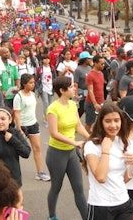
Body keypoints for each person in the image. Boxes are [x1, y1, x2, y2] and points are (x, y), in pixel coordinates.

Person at [46, 76, 90, 220]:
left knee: (79, 189)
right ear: (62, 90)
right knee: (56, 187)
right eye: (71, 87)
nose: (74, 89)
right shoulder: (53, 108)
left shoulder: (72, 105)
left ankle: (87, 218)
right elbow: (54, 133)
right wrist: (75, 143)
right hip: (56, 154)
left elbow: (79, 126)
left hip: (71, 153)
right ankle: (52, 216)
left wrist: (90, 139)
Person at [83, 102, 133, 220]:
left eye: (117, 120)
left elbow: (125, 179)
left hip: (123, 203)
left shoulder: (124, 142)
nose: (113, 125)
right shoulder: (91, 145)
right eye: (108, 121)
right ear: (101, 122)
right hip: (101, 205)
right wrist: (105, 150)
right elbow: (101, 177)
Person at [0, 106, 31, 187]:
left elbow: (26, 153)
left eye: (3, 119)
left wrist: (12, 140)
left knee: (18, 200)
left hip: (14, 180)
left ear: (10, 120)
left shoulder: (16, 134)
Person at [13, 73, 50, 181]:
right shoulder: (18, 96)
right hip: (22, 127)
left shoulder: (33, 94)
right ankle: (12, 172)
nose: (33, 84)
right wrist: (19, 128)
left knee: (37, 148)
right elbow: (17, 114)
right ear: (24, 84)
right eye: (30, 83)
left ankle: (40, 172)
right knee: (17, 151)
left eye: (33, 82)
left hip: (33, 124)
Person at [85, 55, 105, 131]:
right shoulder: (90, 75)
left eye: (103, 64)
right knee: (89, 123)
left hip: (101, 101)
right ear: (95, 63)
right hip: (91, 103)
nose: (103, 65)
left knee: (100, 121)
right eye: (101, 64)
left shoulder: (101, 74)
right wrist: (95, 104)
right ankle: (86, 139)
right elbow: (90, 91)